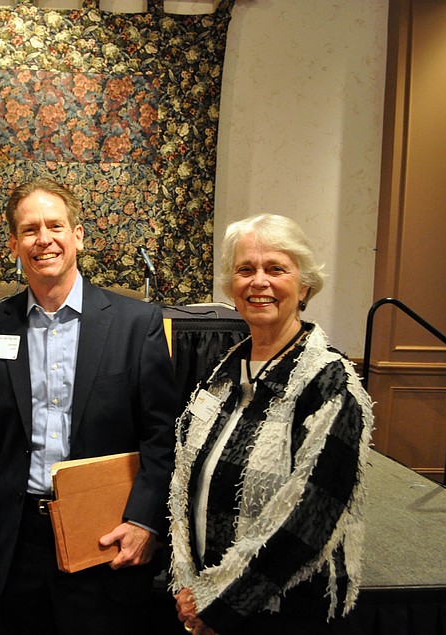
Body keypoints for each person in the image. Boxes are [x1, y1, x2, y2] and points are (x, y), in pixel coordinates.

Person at [0, 178, 179, 635]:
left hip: (105, 535)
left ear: (77, 235)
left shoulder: (135, 324)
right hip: (15, 539)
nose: (44, 239)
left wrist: (145, 520)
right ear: (13, 244)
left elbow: (161, 436)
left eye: (55, 226)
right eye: (29, 229)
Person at [169, 214, 374, 635]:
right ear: (231, 286)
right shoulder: (225, 370)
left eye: (275, 269)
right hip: (206, 598)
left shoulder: (330, 382)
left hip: (284, 611)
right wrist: (193, 584)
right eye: (245, 269)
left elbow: (311, 517)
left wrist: (220, 603)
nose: (258, 281)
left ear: (304, 286)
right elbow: (186, 482)